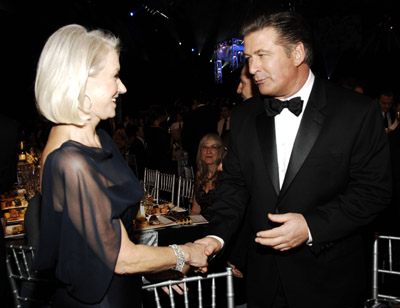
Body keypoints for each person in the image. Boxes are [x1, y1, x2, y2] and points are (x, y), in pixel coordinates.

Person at [195, 11, 391, 308]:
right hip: (262, 279)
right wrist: (216, 237)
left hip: (329, 281)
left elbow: (373, 192)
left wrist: (312, 227)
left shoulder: (357, 112)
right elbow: (234, 186)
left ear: (297, 52)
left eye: (262, 55)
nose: (251, 68)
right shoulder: (244, 116)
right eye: (249, 57)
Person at [31, 24, 208, 308]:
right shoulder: (70, 161)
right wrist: (183, 253)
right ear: (81, 83)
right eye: (114, 76)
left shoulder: (98, 139)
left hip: (122, 292)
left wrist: (158, 267)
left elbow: (110, 235)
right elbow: (120, 257)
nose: (122, 87)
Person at [190, 133, 224, 222]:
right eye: (204, 147)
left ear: (220, 151)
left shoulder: (225, 177)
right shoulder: (200, 176)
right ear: (200, 152)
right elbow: (195, 210)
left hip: (220, 228)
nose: (208, 151)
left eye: (213, 147)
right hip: (201, 227)